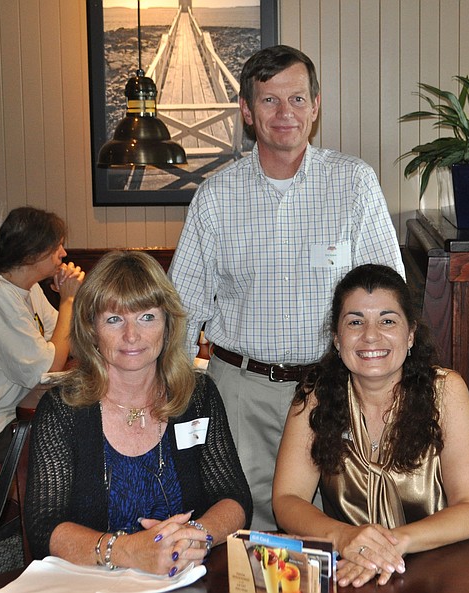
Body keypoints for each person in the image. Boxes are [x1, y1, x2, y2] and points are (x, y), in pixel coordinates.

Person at [169, 45, 404, 530]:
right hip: (239, 393)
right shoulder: (216, 196)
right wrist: (164, 396)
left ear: (316, 106)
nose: (285, 114)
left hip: (336, 390)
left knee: (334, 532)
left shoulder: (353, 183)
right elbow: (182, 312)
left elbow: (389, 297)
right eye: (270, 101)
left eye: (297, 99)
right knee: (238, 531)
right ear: (247, 111)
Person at [25, 251, 252, 576]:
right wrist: (129, 550)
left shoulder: (197, 396)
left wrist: (195, 537)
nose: (132, 336)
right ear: (91, 329)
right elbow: (44, 527)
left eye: (147, 317)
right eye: (114, 319)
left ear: (168, 323)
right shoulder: (63, 408)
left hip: (182, 578)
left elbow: (234, 497)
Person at [272, 264, 469, 588]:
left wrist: (392, 544)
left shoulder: (445, 392)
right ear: (336, 337)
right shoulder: (315, 397)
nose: (370, 335)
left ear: (411, 334)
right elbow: (288, 498)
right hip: (354, 568)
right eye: (355, 322)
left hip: (448, 568)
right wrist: (345, 537)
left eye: (387, 320)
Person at [0, 207, 84, 465]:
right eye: (57, 246)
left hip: (6, 417)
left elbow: (73, 344)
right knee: (76, 442)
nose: (64, 253)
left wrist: (74, 298)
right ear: (32, 254)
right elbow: (49, 369)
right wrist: (68, 300)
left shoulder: (28, 289)